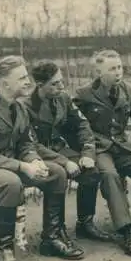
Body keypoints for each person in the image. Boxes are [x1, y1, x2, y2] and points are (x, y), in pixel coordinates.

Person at [0, 55, 85, 261]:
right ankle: (5, 250)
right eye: (22, 77)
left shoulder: (19, 108)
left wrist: (34, 160)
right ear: (5, 83)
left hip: (10, 165)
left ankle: (52, 237)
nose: (28, 81)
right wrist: (23, 167)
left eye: (27, 76)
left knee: (56, 172)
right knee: (11, 182)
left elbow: (26, 142)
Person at [73, 49, 131, 256]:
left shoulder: (129, 90)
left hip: (122, 147)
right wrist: (83, 152)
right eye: (112, 69)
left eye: (120, 67)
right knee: (109, 175)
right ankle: (126, 229)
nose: (118, 72)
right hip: (99, 148)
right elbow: (72, 125)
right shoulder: (84, 94)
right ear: (99, 72)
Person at [21, 61, 113, 242]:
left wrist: (87, 153)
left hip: (58, 149)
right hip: (37, 155)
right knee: (59, 174)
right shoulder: (26, 106)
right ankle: (57, 229)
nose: (61, 86)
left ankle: (85, 223)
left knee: (91, 172)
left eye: (61, 81)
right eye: (54, 83)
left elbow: (82, 124)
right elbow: (31, 144)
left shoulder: (63, 98)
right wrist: (65, 161)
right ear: (40, 85)